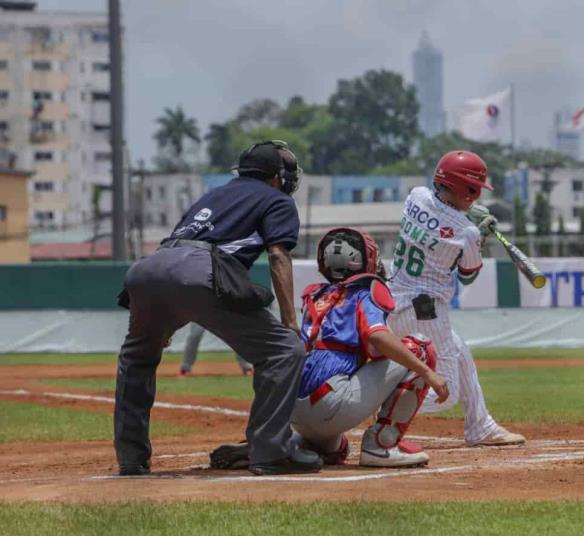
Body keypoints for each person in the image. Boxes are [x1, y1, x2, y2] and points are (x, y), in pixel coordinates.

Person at [114, 140, 320, 476]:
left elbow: (174, 256)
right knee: (285, 351)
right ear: (275, 177)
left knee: (136, 360)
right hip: (199, 271)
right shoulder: (277, 199)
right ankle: (269, 453)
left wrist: (160, 325)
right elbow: (279, 256)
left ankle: (130, 458)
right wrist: (290, 322)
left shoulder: (212, 196)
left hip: (147, 269)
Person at [210, 227, 449, 469]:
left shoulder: (316, 295)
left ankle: (289, 443)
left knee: (337, 449)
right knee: (419, 347)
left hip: (294, 407)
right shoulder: (366, 291)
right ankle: (381, 444)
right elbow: (377, 337)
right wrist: (428, 373)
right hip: (329, 402)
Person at [386, 150, 525, 447]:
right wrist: (480, 237)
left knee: (461, 353)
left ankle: (481, 426)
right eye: (473, 190)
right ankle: (379, 404)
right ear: (465, 187)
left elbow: (438, 213)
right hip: (426, 311)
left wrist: (463, 217)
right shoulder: (467, 232)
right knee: (443, 393)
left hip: (391, 301)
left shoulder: (416, 195)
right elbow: (467, 275)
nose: (475, 197)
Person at [178, 323, 253, 377]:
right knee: (195, 335)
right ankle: (185, 368)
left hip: (220, 308)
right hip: (202, 310)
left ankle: (246, 366)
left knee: (236, 334)